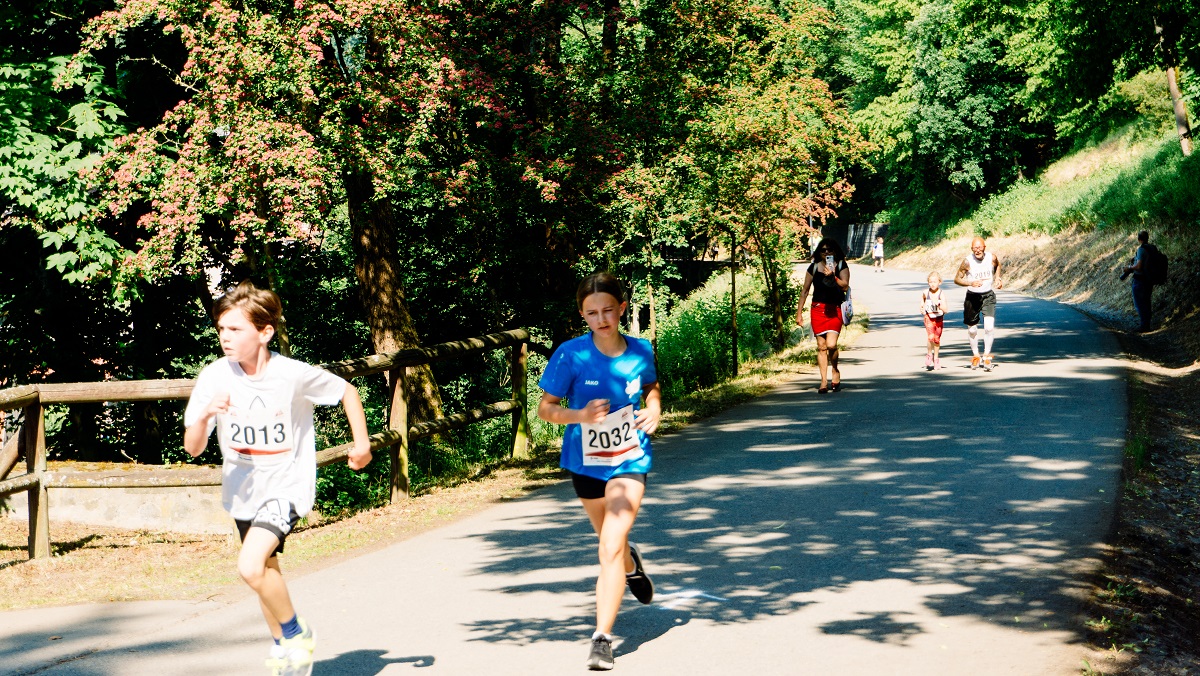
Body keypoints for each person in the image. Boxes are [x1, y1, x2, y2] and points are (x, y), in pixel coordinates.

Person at [184, 280, 373, 676]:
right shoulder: (215, 377)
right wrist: (203, 416)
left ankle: (295, 633)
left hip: (287, 486)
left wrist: (363, 444)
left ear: (264, 331)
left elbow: (347, 392)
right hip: (241, 490)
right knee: (266, 570)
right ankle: (283, 647)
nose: (225, 337)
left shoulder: (291, 375)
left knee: (250, 566)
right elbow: (193, 448)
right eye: (221, 329)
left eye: (235, 329)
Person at [536, 273, 661, 671]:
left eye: (608, 310)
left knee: (607, 545)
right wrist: (580, 415)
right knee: (612, 545)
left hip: (629, 458)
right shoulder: (570, 355)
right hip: (586, 462)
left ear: (622, 308)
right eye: (592, 313)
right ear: (582, 315)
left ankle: (602, 639)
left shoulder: (641, 350)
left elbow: (652, 386)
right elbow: (545, 408)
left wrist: (655, 407)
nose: (602, 319)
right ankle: (631, 565)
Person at [797, 237, 851, 392]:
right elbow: (805, 290)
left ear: (835, 251)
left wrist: (833, 276)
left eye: (829, 250)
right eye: (823, 250)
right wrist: (799, 313)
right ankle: (823, 381)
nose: (826, 252)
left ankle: (835, 369)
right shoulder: (813, 267)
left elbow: (845, 286)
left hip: (835, 310)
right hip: (818, 309)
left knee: (831, 345)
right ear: (819, 252)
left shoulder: (840, 265)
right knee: (821, 347)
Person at [954, 237, 1003, 371]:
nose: (977, 250)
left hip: (988, 296)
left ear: (984, 247)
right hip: (972, 297)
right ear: (971, 249)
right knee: (972, 330)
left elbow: (998, 265)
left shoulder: (991, 258)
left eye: (979, 247)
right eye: (975, 248)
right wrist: (970, 283)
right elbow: (957, 279)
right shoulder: (967, 262)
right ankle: (976, 355)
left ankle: (986, 356)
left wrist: (998, 278)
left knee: (989, 327)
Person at [1121, 230, 1155, 332]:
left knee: (1139, 303)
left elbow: (1139, 266)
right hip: (1149, 280)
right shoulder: (1152, 248)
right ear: (1147, 238)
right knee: (1146, 302)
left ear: (1139, 239)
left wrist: (1129, 268)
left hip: (1140, 281)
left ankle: (1144, 326)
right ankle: (1146, 324)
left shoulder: (1141, 249)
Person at [921, 271, 946, 370]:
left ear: (939, 282)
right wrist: (922, 308)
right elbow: (922, 303)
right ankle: (929, 354)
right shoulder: (925, 292)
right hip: (929, 317)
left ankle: (936, 359)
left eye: (935, 282)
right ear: (928, 283)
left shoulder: (941, 294)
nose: (932, 284)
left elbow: (945, 309)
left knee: (936, 339)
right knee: (930, 337)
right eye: (930, 282)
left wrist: (939, 304)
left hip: (939, 318)